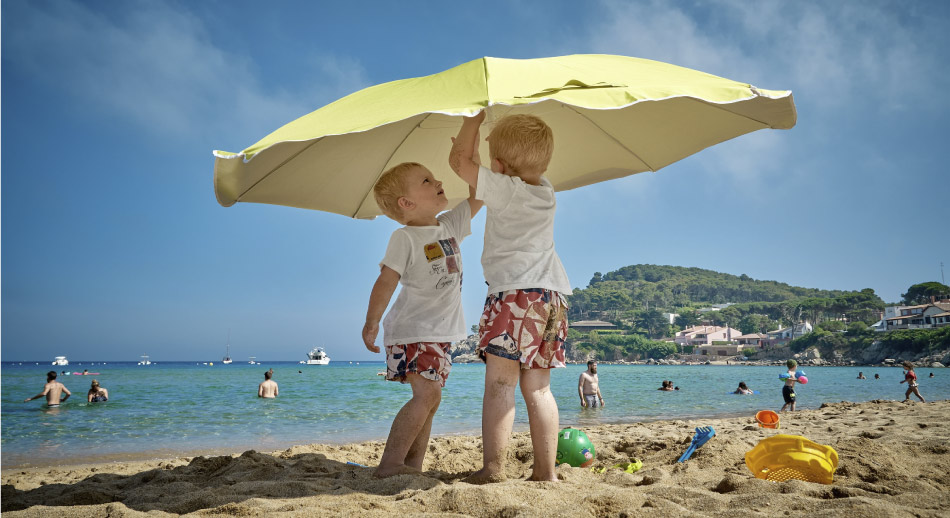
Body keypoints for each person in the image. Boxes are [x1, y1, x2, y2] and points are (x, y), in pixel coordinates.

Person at [449, 111, 571, 484]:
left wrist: (472, 122)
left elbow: (459, 163)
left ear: (499, 167)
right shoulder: (545, 190)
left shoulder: (505, 188)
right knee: (539, 388)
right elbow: (477, 171)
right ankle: (545, 473)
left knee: (500, 384)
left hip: (514, 295)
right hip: (553, 296)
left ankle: (493, 469)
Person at [362, 161, 482, 479]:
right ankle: (390, 464)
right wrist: (371, 322)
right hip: (413, 329)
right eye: (426, 180)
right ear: (407, 203)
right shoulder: (405, 238)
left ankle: (410, 467)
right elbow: (386, 281)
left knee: (432, 399)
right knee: (426, 395)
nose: (438, 180)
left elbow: (479, 195)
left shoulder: (449, 225)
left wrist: (472, 159)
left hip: (439, 333)